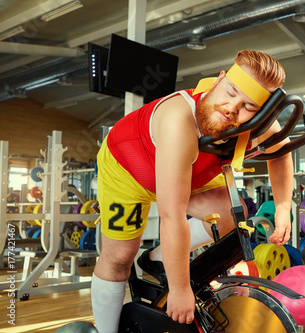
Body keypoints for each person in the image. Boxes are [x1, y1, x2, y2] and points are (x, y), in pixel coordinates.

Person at [91, 50, 293, 333]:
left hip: (189, 170)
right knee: (119, 258)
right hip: (128, 168)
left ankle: (157, 259)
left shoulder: (260, 125)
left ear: (262, 111)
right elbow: (171, 214)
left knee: (229, 216)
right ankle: (106, 331)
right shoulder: (179, 119)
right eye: (230, 91)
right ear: (219, 79)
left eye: (248, 106)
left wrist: (283, 208)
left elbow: (281, 153)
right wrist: (180, 288)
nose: (232, 108)